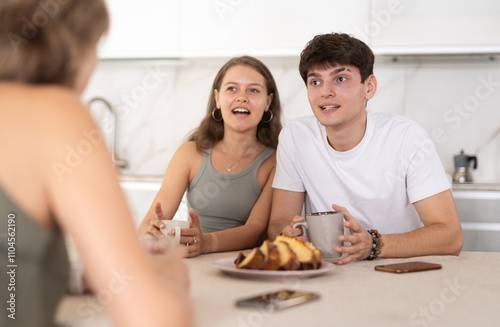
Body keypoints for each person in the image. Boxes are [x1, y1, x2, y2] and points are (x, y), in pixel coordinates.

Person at [0, 1, 191, 327]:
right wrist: (166, 283)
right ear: (71, 47)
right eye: (95, 43)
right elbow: (153, 318)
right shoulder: (55, 112)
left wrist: (85, 276)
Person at [268, 33, 463, 265]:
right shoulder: (295, 137)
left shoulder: (407, 138)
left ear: (368, 87)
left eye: (340, 79)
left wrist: (373, 245)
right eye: (315, 82)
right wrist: (287, 235)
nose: (325, 92)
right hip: (329, 275)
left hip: (395, 272)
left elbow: (451, 236)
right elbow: (279, 221)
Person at [138, 56, 282, 257]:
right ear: (217, 99)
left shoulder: (277, 161)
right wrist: (153, 229)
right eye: (232, 89)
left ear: (268, 102)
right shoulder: (189, 153)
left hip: (249, 267)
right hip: (196, 264)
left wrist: (207, 243)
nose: (242, 97)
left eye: (253, 90)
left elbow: (255, 230)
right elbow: (147, 224)